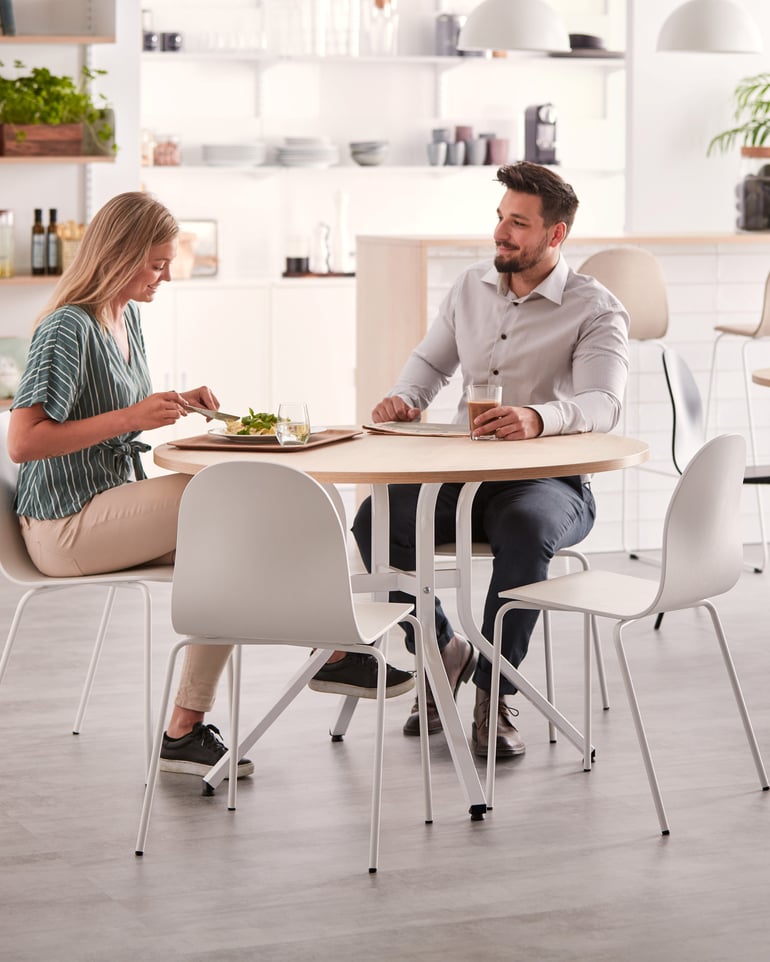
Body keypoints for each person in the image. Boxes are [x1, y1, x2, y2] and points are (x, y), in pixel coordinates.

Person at [6, 191, 413, 778]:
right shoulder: (68, 328)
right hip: (63, 524)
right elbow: (23, 440)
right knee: (220, 500)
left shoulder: (127, 318)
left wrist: (170, 403)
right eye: (156, 263)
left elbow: (125, 407)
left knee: (229, 552)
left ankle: (186, 729)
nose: (165, 276)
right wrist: (131, 418)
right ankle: (334, 648)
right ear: (118, 256)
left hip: (107, 505)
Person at [337, 162, 629, 759]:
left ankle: (493, 691)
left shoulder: (596, 308)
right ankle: (444, 651)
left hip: (548, 482)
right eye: (500, 218)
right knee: (376, 521)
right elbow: (429, 364)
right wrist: (405, 398)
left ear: (556, 235)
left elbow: (604, 404)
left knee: (524, 529)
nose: (501, 232)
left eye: (518, 223)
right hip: (463, 473)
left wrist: (538, 417)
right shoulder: (470, 286)